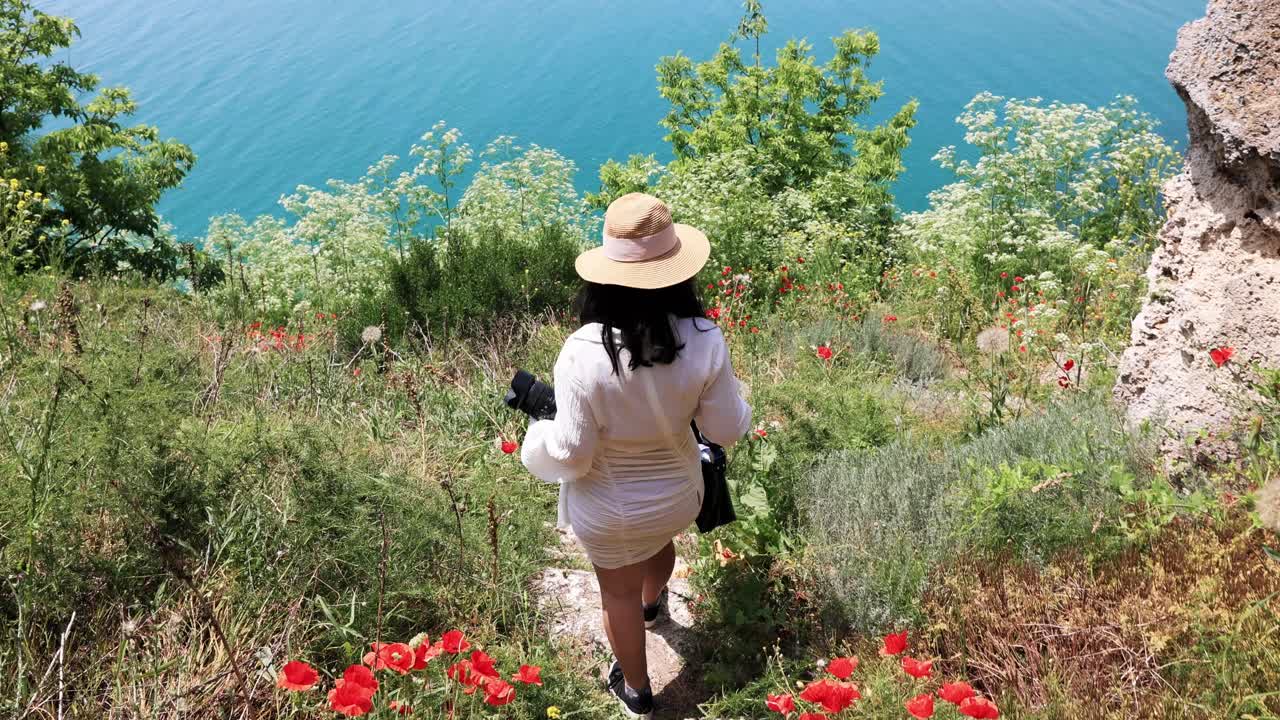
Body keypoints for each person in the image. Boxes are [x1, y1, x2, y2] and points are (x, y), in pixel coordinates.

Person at [521, 193, 752, 718]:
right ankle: (654, 606)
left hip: (611, 510)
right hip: (679, 495)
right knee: (657, 546)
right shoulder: (703, 337)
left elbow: (572, 452)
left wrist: (536, 441)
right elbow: (726, 427)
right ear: (679, 272)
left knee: (615, 595)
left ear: (603, 276)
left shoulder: (583, 352)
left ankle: (638, 692)